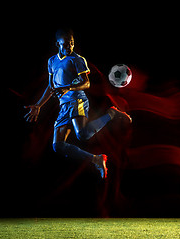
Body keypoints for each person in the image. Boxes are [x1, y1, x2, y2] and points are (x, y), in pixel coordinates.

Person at [24, 29, 131, 179]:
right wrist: (38, 105)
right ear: (58, 44)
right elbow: (51, 87)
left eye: (72, 44)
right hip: (64, 105)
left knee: (82, 135)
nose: (70, 47)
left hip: (76, 99)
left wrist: (69, 88)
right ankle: (96, 159)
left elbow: (86, 83)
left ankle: (112, 113)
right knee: (58, 146)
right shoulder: (52, 61)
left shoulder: (77, 60)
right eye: (66, 44)